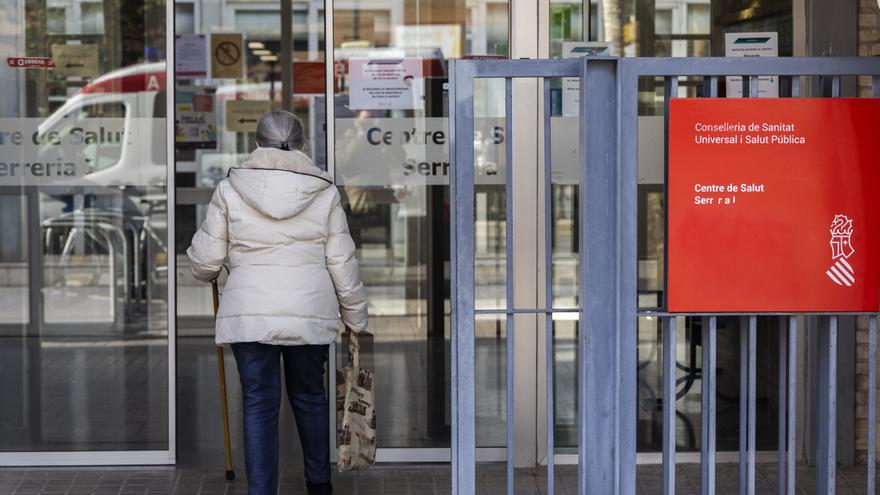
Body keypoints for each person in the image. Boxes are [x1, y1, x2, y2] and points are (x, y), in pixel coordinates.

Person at [187, 110, 368, 495]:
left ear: (257, 145)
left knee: (258, 403)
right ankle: (319, 484)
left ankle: (261, 490)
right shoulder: (325, 191)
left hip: (250, 316)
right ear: (303, 146)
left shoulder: (230, 189)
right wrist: (355, 317)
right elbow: (341, 261)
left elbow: (204, 264)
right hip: (310, 315)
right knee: (310, 397)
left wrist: (210, 268)